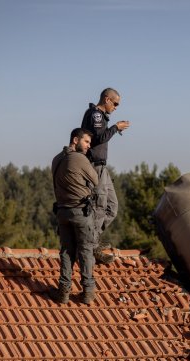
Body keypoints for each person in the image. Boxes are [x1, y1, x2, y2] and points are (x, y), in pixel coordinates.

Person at [81, 87, 130, 263]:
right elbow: (99, 137)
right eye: (115, 104)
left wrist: (114, 128)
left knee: (112, 207)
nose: (116, 107)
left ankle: (90, 237)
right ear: (107, 99)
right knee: (100, 206)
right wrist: (115, 127)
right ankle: (91, 245)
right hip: (94, 167)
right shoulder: (96, 115)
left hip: (102, 167)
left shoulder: (100, 116)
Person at [50, 128, 99, 305]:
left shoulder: (56, 159)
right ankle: (87, 292)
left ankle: (63, 292)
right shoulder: (79, 158)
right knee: (85, 250)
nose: (88, 146)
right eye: (86, 142)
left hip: (62, 212)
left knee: (66, 251)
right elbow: (95, 180)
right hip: (80, 212)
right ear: (75, 140)